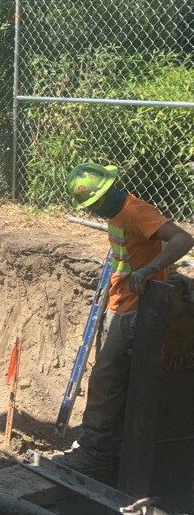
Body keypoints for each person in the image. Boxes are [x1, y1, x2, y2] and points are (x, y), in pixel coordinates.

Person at [56, 162, 194, 478]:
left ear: (106, 194)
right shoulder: (117, 214)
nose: (92, 212)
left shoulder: (136, 212)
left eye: (94, 205)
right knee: (114, 379)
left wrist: (149, 270)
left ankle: (95, 454)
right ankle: (108, 449)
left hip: (134, 309)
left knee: (104, 379)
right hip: (119, 304)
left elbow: (183, 239)